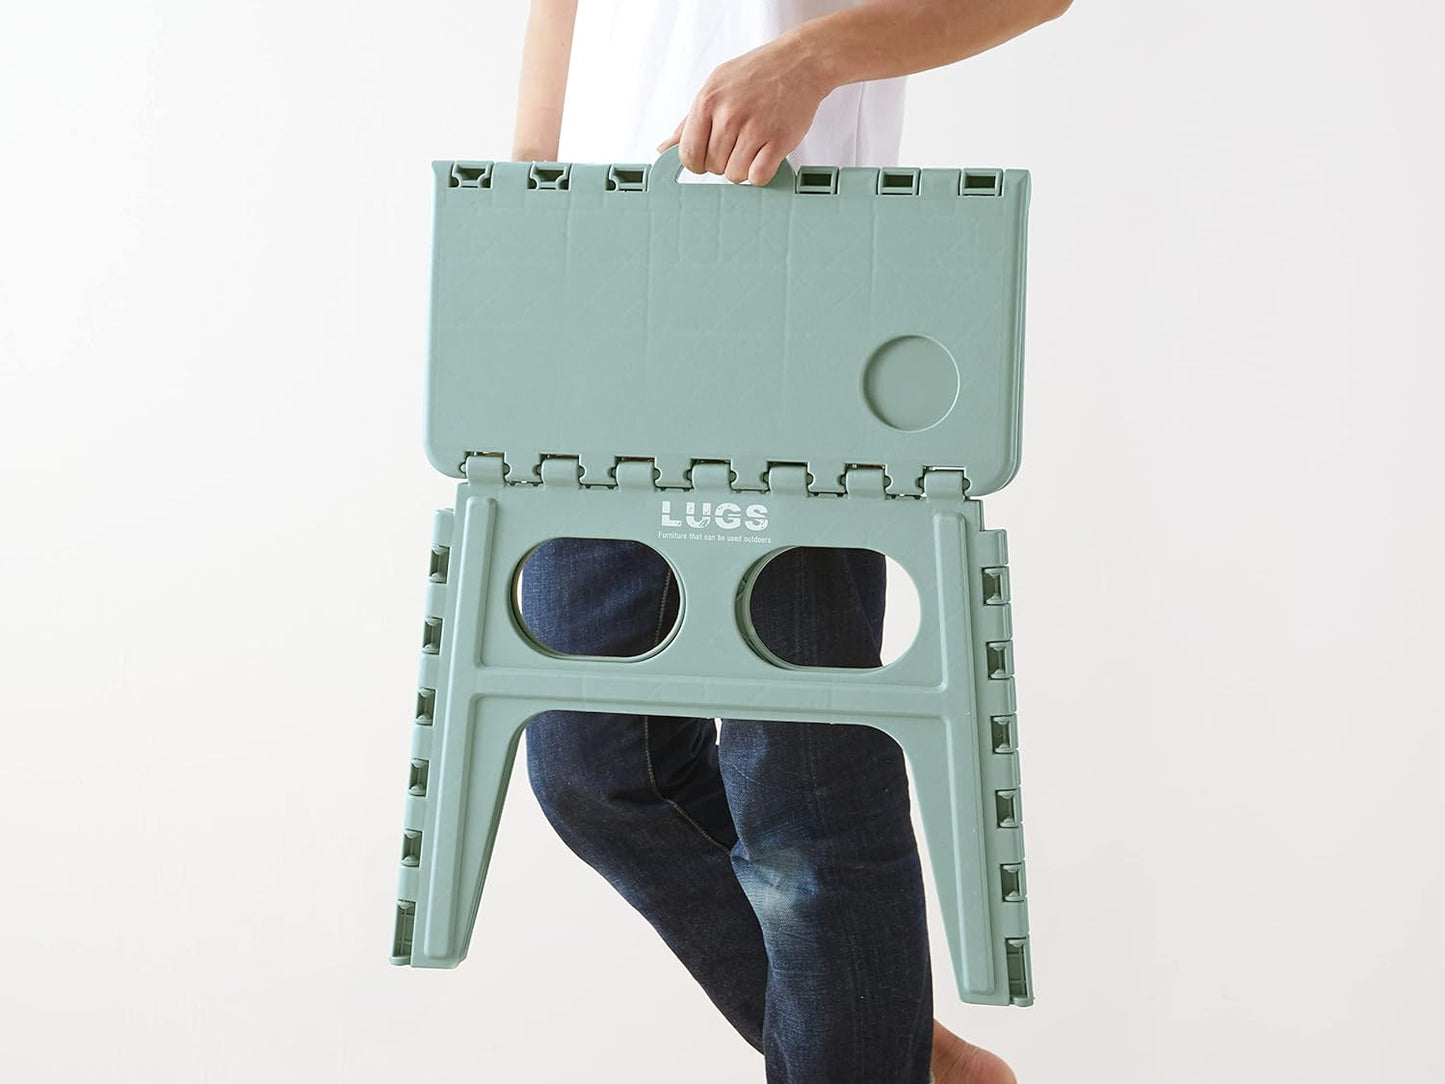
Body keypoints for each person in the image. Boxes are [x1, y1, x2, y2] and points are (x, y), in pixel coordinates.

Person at [510, 3, 1070, 1081]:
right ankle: (897, 1055)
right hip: (601, 283)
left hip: (795, 285)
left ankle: (877, 1054)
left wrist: (812, 58)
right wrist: (528, 205)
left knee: (799, 791)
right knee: (589, 760)